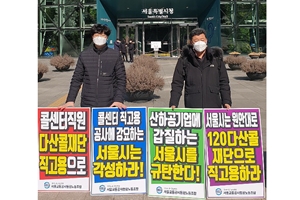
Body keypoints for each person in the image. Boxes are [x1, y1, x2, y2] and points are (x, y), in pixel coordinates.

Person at [58, 24, 127, 110]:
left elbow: (121, 79)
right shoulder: (84, 55)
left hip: (110, 103)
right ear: (92, 37)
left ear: (107, 37)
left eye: (102, 35)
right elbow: (76, 79)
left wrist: (118, 100)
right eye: (97, 35)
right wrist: (70, 100)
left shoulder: (115, 55)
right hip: (87, 103)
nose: (99, 37)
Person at [169, 27, 232, 110]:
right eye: (196, 41)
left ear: (206, 40)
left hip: (213, 104)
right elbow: (177, 82)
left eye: (202, 39)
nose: (200, 43)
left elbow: (224, 82)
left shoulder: (216, 58)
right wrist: (173, 103)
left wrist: (226, 101)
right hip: (193, 104)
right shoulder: (185, 60)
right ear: (191, 42)